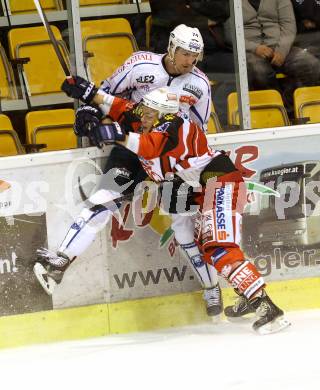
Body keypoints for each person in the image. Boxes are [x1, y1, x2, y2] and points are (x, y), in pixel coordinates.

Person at [56, 24, 223, 317]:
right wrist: (88, 111)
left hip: (173, 163)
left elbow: (199, 128)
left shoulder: (200, 84)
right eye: (185, 53)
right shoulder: (140, 64)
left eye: (195, 56)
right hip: (133, 150)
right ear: (172, 47)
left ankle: (211, 287)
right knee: (104, 200)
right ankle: (60, 259)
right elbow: (108, 93)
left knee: (183, 227)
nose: (189, 61)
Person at [242, 0, 320, 92]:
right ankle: (274, 104)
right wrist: (254, 48)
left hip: (281, 45)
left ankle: (291, 101)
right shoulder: (234, 3)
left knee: (310, 64)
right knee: (260, 72)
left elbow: (289, 25)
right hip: (251, 51)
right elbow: (230, 33)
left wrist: (282, 51)